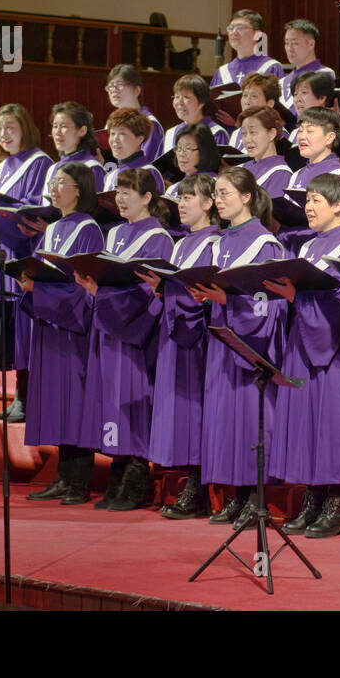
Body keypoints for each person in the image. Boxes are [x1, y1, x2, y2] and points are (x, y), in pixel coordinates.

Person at [265, 173, 340, 538]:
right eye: (307, 200)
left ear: (339, 205)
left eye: (317, 200)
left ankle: (336, 506)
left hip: (338, 347)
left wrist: (299, 298)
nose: (308, 207)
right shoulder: (310, 247)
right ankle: (312, 497)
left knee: (333, 423)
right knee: (307, 421)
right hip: (304, 342)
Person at [190, 168, 287, 528]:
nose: (219, 200)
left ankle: (256, 498)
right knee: (225, 421)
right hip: (222, 341)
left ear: (247, 197)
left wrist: (227, 300)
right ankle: (235, 496)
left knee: (249, 423)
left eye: (226, 193)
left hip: (250, 345)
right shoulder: (218, 241)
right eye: (216, 194)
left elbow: (269, 303)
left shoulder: (266, 244)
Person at [75, 168, 174, 512]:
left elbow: (149, 288)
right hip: (109, 323)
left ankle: (136, 476)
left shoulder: (158, 237)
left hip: (135, 329)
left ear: (147, 198)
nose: (119, 198)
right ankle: (117, 470)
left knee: (133, 398)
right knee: (111, 401)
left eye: (128, 192)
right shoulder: (115, 233)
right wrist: (96, 291)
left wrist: (105, 296)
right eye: (117, 192)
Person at [20, 162, 105, 505]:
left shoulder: (89, 229)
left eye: (61, 183)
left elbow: (84, 286)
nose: (53, 189)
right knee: (56, 402)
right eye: (52, 182)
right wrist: (29, 283)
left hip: (73, 328)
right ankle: (63, 475)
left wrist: (40, 292)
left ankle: (79, 481)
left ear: (80, 190)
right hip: (51, 324)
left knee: (75, 402)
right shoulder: (53, 228)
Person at [139, 173, 221, 519]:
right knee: (182, 411)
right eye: (180, 198)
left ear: (208, 204)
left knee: (197, 410)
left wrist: (177, 290)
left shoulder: (215, 242)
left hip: (198, 338)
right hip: (175, 334)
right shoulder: (182, 243)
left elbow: (206, 295)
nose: (182, 204)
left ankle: (200, 486)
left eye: (190, 198)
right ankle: (191, 479)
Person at [0, 103, 53, 423]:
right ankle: (16, 396)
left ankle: (29, 398)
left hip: (25, 255)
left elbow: (32, 214)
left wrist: (2, 215)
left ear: (25, 128)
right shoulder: (3, 168)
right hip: (4, 256)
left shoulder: (39, 164)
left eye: (10, 127)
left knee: (27, 330)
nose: (4, 134)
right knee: (12, 331)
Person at [44, 102, 106, 202]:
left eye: (64, 126)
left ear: (82, 131)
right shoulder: (52, 169)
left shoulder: (91, 168)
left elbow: (94, 210)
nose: (57, 132)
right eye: (55, 126)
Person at [105, 64, 165, 163]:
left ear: (137, 90)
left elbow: (148, 161)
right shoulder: (112, 122)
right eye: (110, 86)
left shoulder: (149, 123)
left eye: (120, 84)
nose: (114, 90)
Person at [211, 9, 284, 88]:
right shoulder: (222, 72)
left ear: (258, 34)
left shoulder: (271, 67)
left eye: (240, 28)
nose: (234, 32)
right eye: (231, 28)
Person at [102, 108, 163, 194]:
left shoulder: (148, 173)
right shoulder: (111, 176)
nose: (115, 139)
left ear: (140, 139)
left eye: (122, 134)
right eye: (112, 133)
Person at [239, 105, 292, 198]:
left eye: (253, 132)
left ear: (272, 134)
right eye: (244, 133)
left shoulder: (280, 173)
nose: (247, 140)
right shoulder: (242, 168)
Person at [166, 73, 229, 150]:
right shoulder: (171, 134)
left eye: (186, 97)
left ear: (201, 102)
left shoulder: (215, 133)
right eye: (176, 97)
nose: (179, 102)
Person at [226, 72, 283, 151]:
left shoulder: (280, 134)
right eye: (245, 95)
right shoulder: (236, 133)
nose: (247, 101)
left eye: (254, 96)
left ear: (269, 104)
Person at [280, 18, 327, 112]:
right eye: (287, 43)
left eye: (295, 43)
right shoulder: (281, 82)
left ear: (311, 44)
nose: (290, 48)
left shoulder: (324, 75)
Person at [163, 124, 220, 199]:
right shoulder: (172, 189)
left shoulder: (216, 185)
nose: (181, 154)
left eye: (188, 149)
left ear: (204, 151)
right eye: (179, 148)